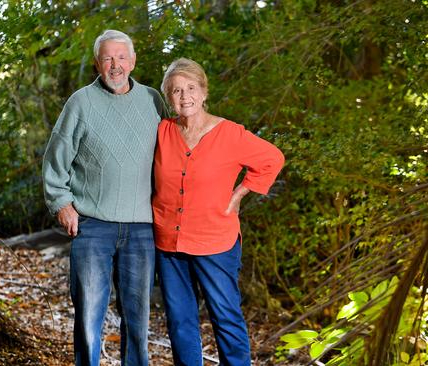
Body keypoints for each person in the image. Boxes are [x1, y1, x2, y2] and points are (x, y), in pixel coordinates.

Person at [42, 29, 167, 366]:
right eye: (108, 58)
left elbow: (174, 154)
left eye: (122, 57)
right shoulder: (81, 102)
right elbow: (56, 158)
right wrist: (62, 204)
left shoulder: (154, 101)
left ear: (133, 61)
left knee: (138, 318)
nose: (116, 65)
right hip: (93, 226)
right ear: (98, 63)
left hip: (141, 227)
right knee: (88, 316)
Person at [153, 58, 285, 365]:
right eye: (175, 90)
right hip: (169, 243)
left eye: (190, 88)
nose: (184, 96)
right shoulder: (162, 131)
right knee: (180, 322)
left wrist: (241, 192)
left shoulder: (230, 134)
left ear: (204, 91)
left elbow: (272, 158)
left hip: (215, 241)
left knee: (225, 318)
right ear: (168, 98)